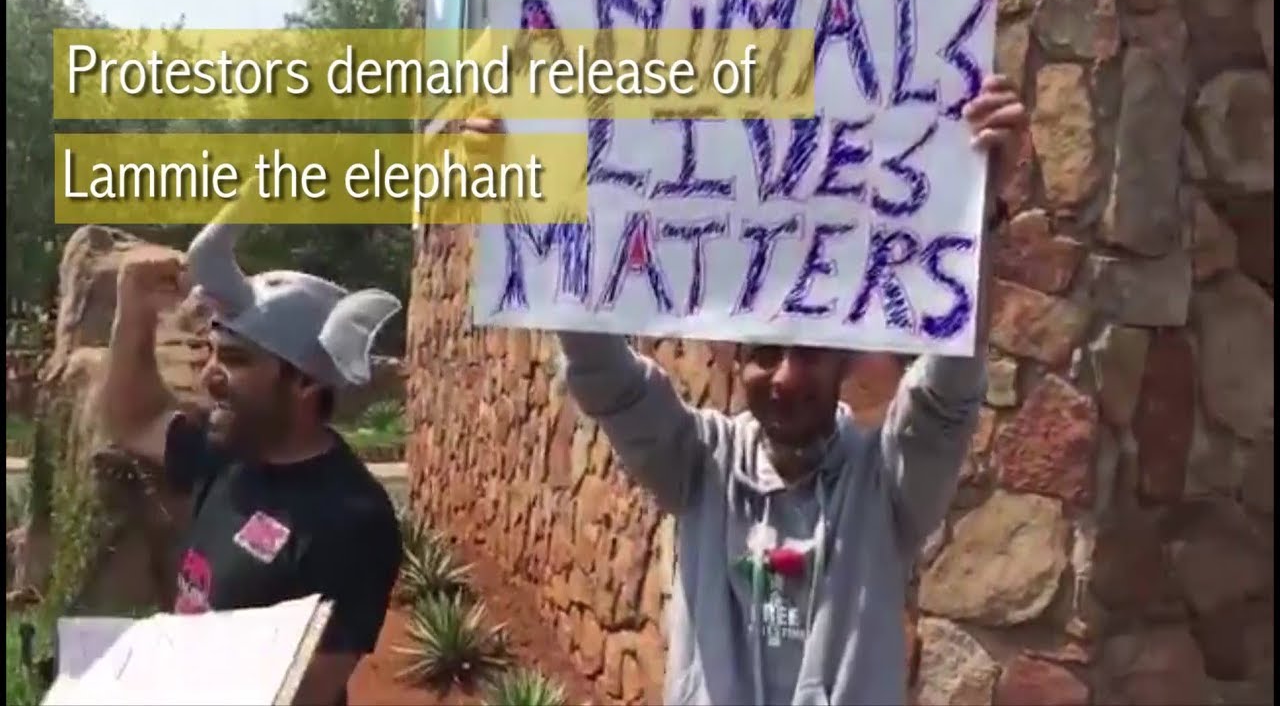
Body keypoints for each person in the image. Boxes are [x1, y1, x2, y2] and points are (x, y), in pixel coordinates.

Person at [455, 74, 1028, 705]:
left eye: (809, 352)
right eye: (765, 353)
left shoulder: (887, 487)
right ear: (737, 361)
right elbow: (605, 373)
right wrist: (527, 205)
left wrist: (979, 211)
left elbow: (947, 393)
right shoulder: (701, 465)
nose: (785, 376)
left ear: (844, 360)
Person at [101, 203, 405, 706]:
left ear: (306, 382)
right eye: (211, 352)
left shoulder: (351, 520)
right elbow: (132, 419)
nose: (209, 375)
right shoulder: (229, 451)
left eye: (235, 359)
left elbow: (302, 693)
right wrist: (133, 308)